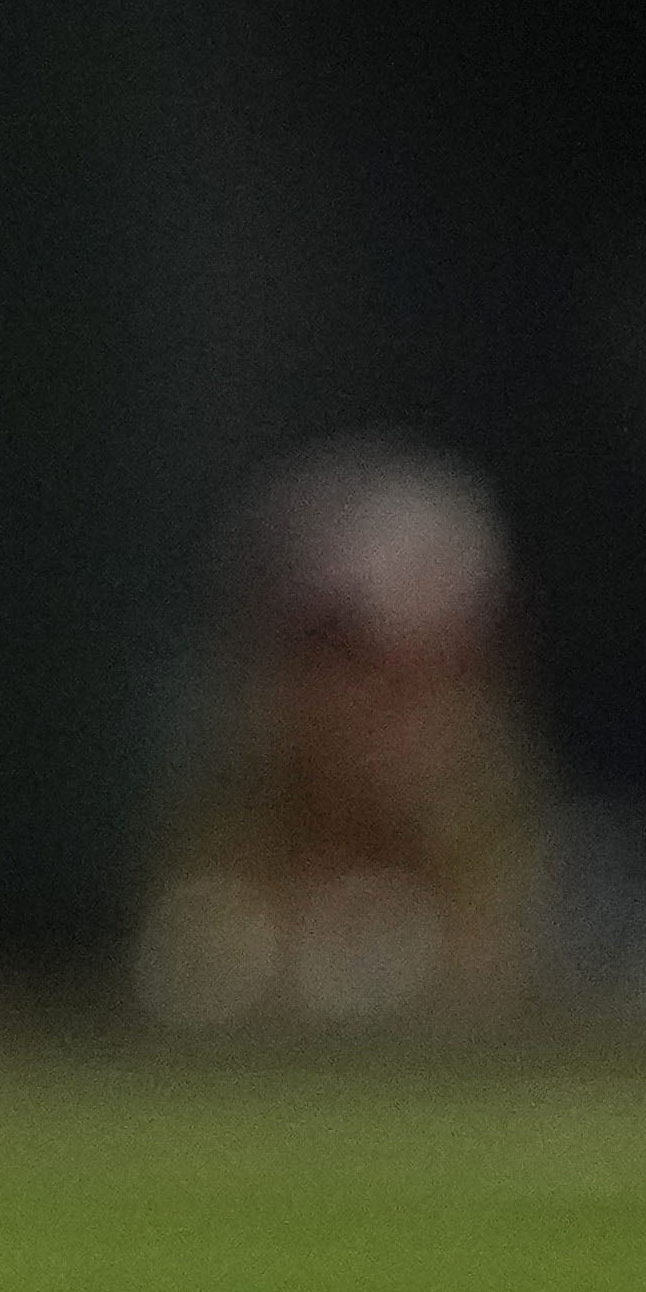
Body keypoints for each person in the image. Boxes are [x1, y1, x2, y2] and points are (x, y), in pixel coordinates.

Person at [137, 435, 556, 1028]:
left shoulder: (569, 902)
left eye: (437, 667)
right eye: (348, 660)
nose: (390, 709)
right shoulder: (201, 899)